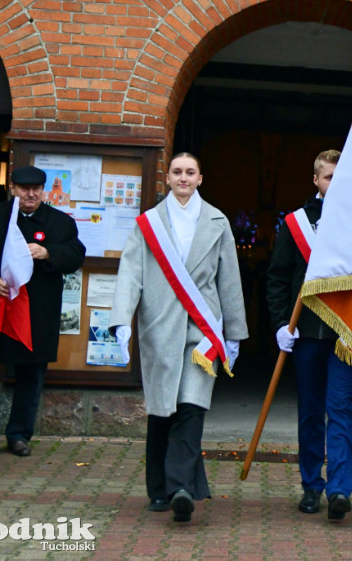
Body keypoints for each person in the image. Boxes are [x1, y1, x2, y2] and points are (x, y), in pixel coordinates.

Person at [109, 152, 248, 523]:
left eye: (190, 172)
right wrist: (122, 320)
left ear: (201, 178)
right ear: (167, 178)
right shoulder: (148, 223)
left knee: (191, 407)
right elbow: (131, 272)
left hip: (203, 330)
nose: (183, 178)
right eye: (177, 172)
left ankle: (180, 488)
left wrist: (233, 332)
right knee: (162, 410)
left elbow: (229, 279)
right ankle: (159, 488)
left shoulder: (217, 221)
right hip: (160, 326)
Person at [265, 149, 352, 521]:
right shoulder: (295, 224)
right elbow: (277, 278)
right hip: (305, 334)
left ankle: (340, 489)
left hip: (346, 337)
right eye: (328, 177)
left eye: (340, 178)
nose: (333, 184)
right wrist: (279, 324)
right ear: (316, 180)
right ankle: (311, 486)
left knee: (340, 410)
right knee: (310, 412)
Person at [0, 165, 85, 457]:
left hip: (37, 312)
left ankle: (19, 435)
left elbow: (76, 254)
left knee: (31, 374)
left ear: (43, 190)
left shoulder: (60, 223)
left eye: (36, 189)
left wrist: (48, 252)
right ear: (12, 188)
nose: (30, 194)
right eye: (23, 188)